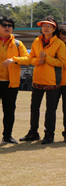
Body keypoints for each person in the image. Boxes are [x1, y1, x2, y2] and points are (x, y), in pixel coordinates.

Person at [11, 17, 66, 144]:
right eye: (43, 25)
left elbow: (61, 62)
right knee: (34, 107)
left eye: (49, 25)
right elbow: (31, 58)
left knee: (50, 109)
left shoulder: (59, 43)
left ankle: (49, 134)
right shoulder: (37, 41)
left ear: (54, 28)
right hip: (37, 79)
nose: (46, 28)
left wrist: (47, 58)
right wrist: (38, 61)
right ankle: (33, 132)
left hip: (52, 80)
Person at [0, 15, 28, 144]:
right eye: (4, 25)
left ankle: (7, 136)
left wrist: (14, 60)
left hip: (11, 83)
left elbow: (27, 59)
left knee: (9, 111)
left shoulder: (17, 44)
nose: (7, 27)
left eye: (9, 25)